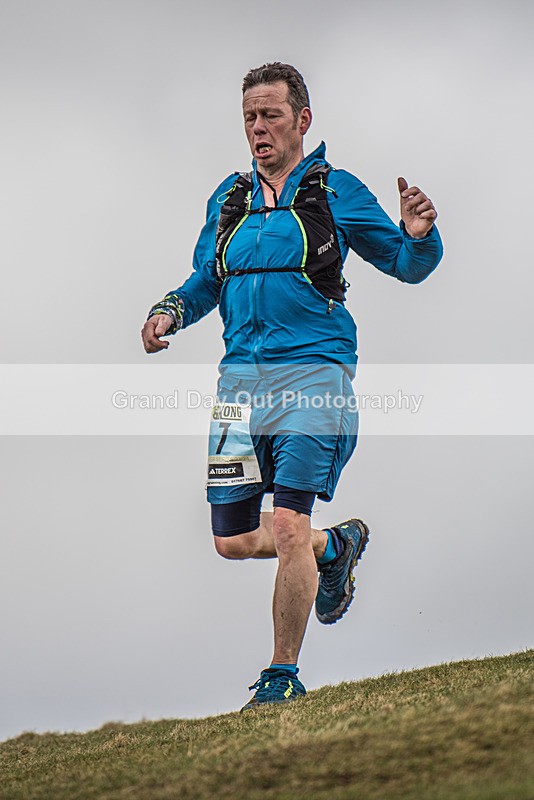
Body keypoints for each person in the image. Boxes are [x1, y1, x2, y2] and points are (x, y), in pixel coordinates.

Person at [141, 63, 443, 711]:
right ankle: (336, 547)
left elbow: (404, 262)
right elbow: (205, 281)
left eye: (270, 115)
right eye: (249, 116)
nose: (257, 127)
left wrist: (421, 238)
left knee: (285, 525)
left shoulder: (337, 192)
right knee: (230, 542)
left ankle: (281, 676)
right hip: (239, 390)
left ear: (302, 121)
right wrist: (169, 309)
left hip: (315, 378)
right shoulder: (228, 198)